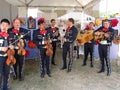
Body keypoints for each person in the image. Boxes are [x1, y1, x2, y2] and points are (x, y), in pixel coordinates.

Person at [0, 19, 14, 90]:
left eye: (6, 25)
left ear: (8, 26)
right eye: (3, 25)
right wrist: (1, 48)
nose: (4, 27)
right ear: (0, 25)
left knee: (7, 74)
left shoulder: (10, 34)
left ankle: (5, 88)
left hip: (8, 58)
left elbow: (13, 44)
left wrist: (12, 46)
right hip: (0, 58)